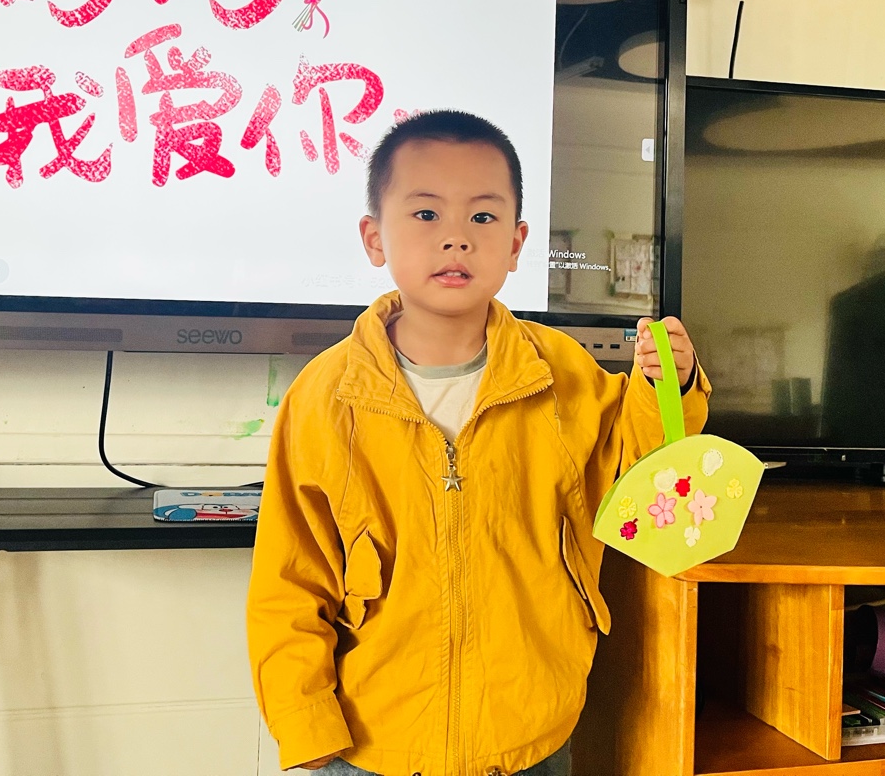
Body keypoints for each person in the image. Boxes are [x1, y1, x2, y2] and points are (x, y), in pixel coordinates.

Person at [246, 110, 709, 775]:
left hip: (531, 734)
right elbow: (288, 580)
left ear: (517, 244)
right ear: (375, 238)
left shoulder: (561, 372)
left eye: (483, 218)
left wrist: (671, 387)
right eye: (426, 214)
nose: (456, 238)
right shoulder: (326, 396)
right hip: (371, 745)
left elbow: (645, 473)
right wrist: (304, 723)